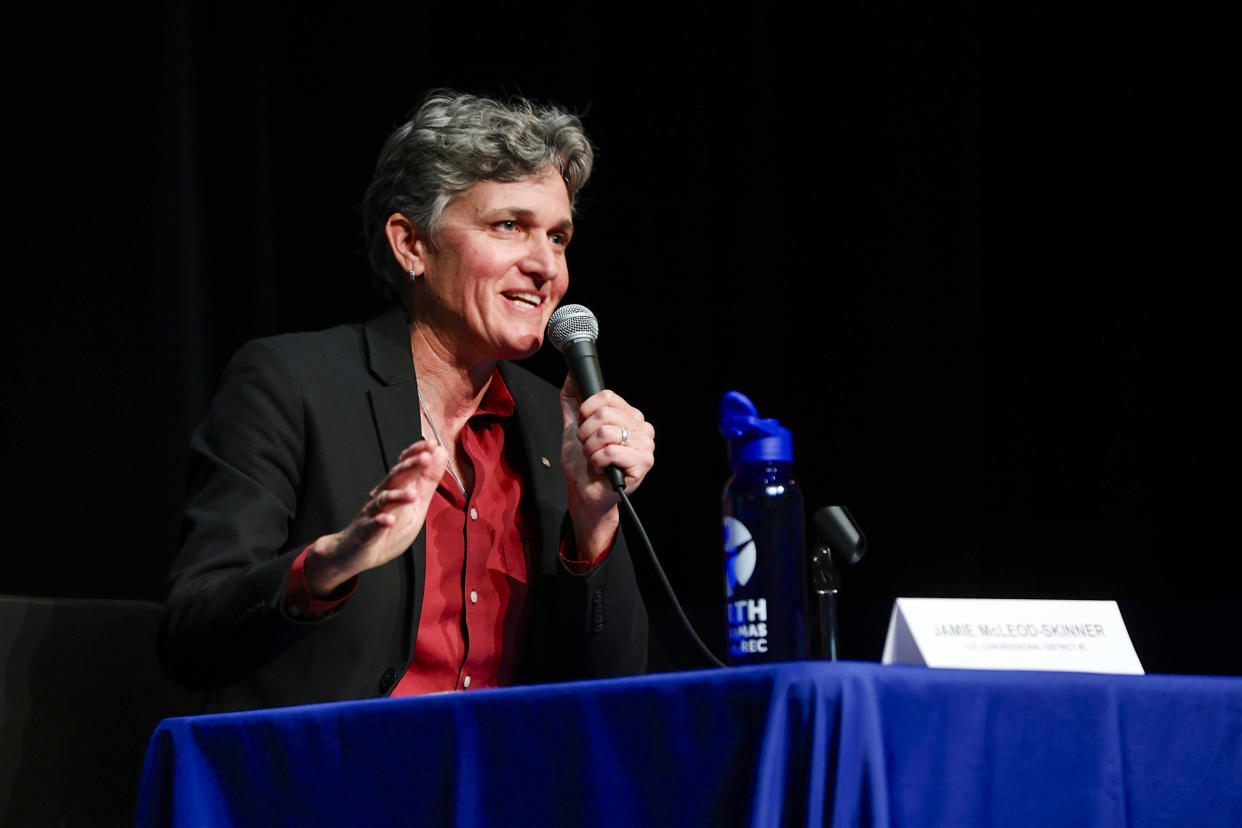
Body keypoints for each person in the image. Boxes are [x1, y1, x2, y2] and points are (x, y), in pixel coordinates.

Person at [159, 91, 654, 712]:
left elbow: (616, 690)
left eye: (558, 237)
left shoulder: (551, 427)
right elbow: (191, 637)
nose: (545, 265)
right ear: (410, 245)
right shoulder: (293, 384)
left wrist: (594, 522)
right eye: (510, 226)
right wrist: (331, 563)